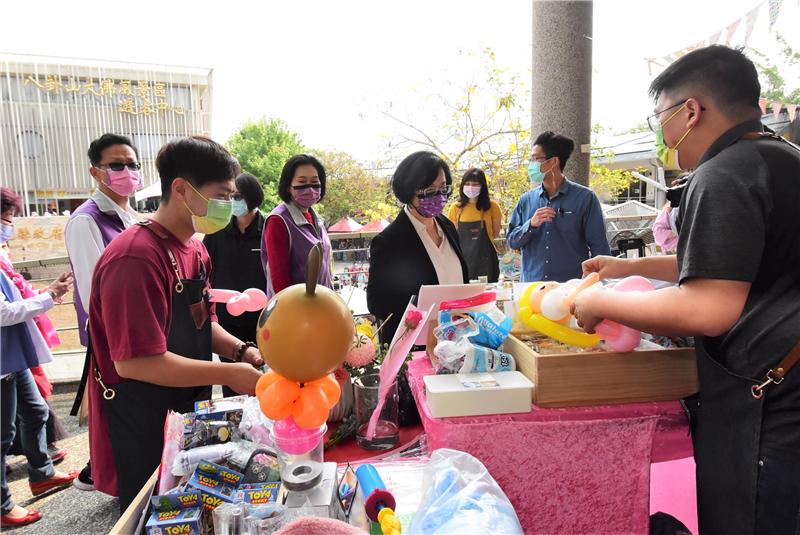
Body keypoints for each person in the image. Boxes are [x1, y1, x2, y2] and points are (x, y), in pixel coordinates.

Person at [571, 45, 800, 534]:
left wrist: (595, 299)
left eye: (662, 118)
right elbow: (727, 264)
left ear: (691, 111)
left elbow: (709, 306)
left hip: (770, 413)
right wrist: (619, 268)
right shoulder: (781, 159)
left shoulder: (724, 173)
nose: (662, 133)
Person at [86, 137, 264, 513]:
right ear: (181, 189)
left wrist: (242, 351)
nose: (229, 207)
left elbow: (204, 323)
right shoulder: (135, 258)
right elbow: (136, 362)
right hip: (144, 421)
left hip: (187, 410)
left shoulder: (195, 249)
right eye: (221, 195)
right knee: (156, 512)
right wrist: (229, 375)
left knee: (193, 509)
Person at [65, 133, 141, 492]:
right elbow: (94, 289)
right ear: (96, 172)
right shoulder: (86, 221)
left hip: (136, 331)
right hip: (112, 337)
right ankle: (114, 481)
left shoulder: (130, 215)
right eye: (116, 165)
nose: (127, 171)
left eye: (132, 164)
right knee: (117, 412)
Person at [1, 187, 78, 527]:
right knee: (3, 434)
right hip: (4, 358)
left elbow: (17, 292)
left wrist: (48, 293)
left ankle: (41, 472)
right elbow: (4, 312)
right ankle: (3, 506)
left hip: (12, 356)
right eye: (6, 219)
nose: (10, 226)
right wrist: (47, 297)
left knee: (35, 411)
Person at [367, 151, 468, 343]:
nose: (439, 196)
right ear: (408, 191)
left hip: (455, 341)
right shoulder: (389, 242)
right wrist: (421, 312)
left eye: (443, 188)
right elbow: (376, 304)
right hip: (415, 347)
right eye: (429, 191)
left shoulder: (448, 227)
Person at [507, 131, 610, 282]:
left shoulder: (585, 198)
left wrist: (600, 285)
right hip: (531, 288)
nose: (531, 164)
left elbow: (599, 248)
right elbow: (512, 241)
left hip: (570, 288)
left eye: (536, 158)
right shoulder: (526, 200)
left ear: (553, 162)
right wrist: (531, 224)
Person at [203, 172, 267, 397]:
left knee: (265, 381)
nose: (233, 202)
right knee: (234, 388)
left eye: (238, 197)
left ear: (252, 197)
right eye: (230, 197)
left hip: (262, 322)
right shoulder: (216, 231)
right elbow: (203, 270)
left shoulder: (268, 228)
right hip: (226, 324)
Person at [261, 154, 333, 298]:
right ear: (288, 186)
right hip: (295, 311)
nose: (310, 188)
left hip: (320, 305)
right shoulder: (278, 221)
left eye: (315, 182)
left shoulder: (316, 218)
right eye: (302, 181)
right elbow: (279, 280)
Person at [447, 168, 502, 282]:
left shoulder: (493, 207)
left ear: (482, 186)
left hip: (487, 262)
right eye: (467, 184)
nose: (471, 187)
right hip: (463, 261)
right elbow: (452, 238)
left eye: (475, 184)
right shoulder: (455, 208)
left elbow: (495, 235)